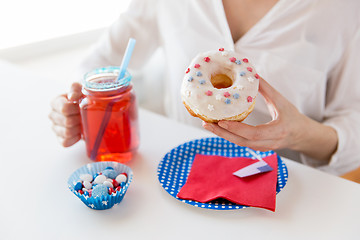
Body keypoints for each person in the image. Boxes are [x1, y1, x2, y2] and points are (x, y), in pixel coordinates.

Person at [49, 0, 360, 180]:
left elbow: (353, 121)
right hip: (178, 176)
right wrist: (73, 104)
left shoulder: (342, 11)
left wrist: (300, 134)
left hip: (289, 194)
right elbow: (100, 62)